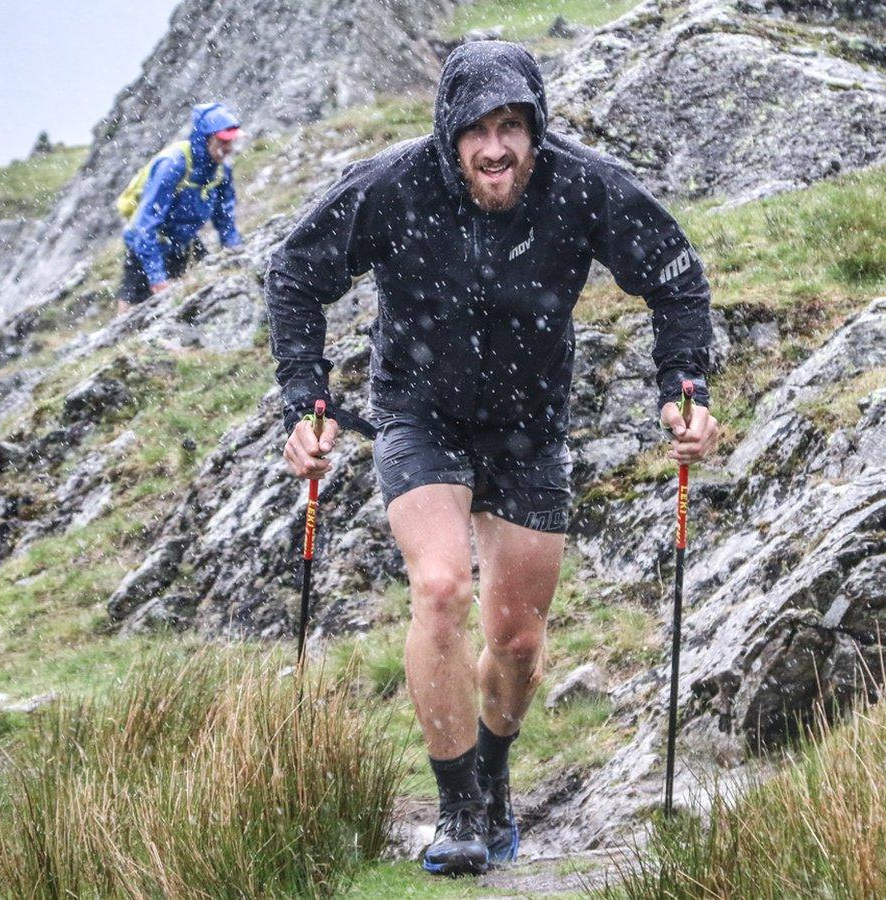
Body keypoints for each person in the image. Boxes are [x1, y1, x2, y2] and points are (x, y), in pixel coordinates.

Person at [265, 41, 720, 876]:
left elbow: (675, 278)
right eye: (476, 131)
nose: (494, 148)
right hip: (420, 416)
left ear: (535, 128)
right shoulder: (394, 187)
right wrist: (307, 403)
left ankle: (495, 776)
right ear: (450, 135)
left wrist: (684, 388)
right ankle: (458, 811)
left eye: (511, 126)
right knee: (439, 589)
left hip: (529, 429)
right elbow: (295, 274)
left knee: (513, 642)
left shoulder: (582, 187)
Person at [117, 102, 244, 313]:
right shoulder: (173, 165)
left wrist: (234, 250)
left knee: (200, 289)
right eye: (223, 141)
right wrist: (157, 278)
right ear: (206, 138)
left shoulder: (221, 172)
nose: (228, 149)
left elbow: (224, 217)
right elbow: (146, 224)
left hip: (183, 241)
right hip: (147, 242)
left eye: (231, 142)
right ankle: (117, 342)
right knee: (132, 304)